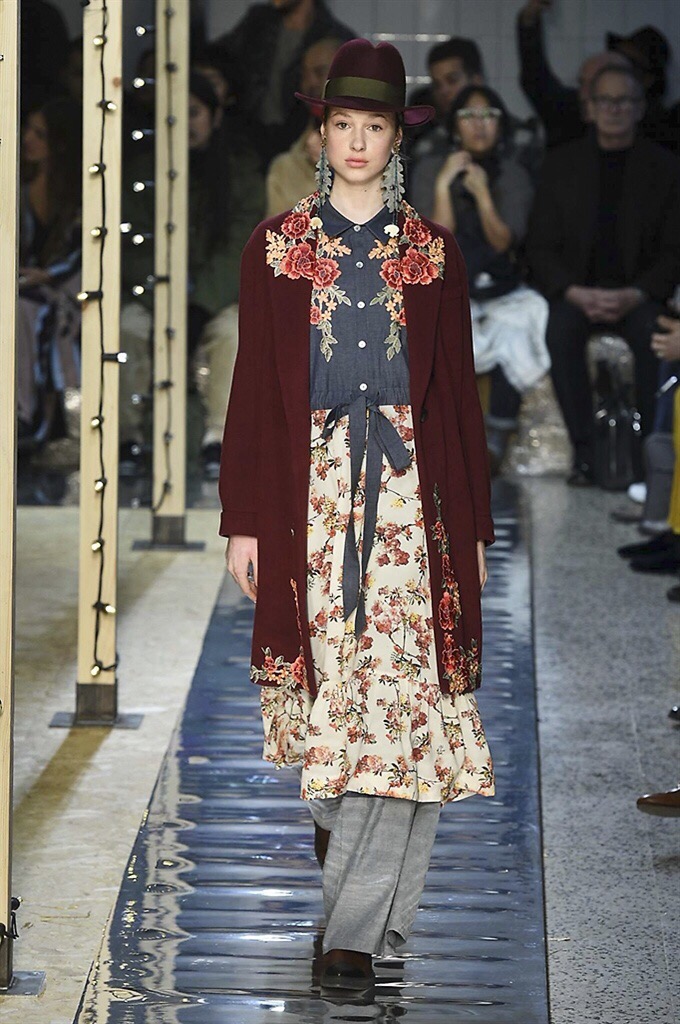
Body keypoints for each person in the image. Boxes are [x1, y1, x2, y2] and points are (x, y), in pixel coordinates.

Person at [219, 38, 495, 990]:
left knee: (404, 700)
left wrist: (474, 531)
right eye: (343, 123)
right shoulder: (275, 248)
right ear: (321, 131)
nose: (357, 141)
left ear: (396, 138)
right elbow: (254, 390)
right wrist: (244, 520)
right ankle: (346, 859)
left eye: (374, 126)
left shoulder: (433, 252)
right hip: (311, 494)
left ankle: (350, 932)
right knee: (333, 690)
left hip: (415, 497)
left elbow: (457, 398)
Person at [527, 63, 680, 485]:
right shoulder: (561, 164)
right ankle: (585, 456)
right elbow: (538, 246)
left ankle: (648, 465)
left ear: (640, 107)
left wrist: (637, 293)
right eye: (605, 100)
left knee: (655, 337)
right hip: (577, 293)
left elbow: (674, 251)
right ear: (590, 107)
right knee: (559, 332)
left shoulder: (665, 168)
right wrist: (572, 291)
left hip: (639, 295)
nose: (615, 109)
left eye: (624, 101)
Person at [119, 73, 264, 477]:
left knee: (233, 332)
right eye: (175, 114)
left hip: (214, 299)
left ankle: (219, 440)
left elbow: (240, 248)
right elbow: (132, 246)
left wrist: (198, 306)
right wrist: (161, 297)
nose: (185, 123)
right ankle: (128, 439)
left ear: (214, 117)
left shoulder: (240, 173)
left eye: (194, 112)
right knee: (127, 327)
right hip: (152, 295)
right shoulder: (141, 173)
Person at [423, 84, 549, 474]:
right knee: (432, 328)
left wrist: (481, 194)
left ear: (501, 124)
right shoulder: (430, 166)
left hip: (500, 288)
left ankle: (495, 437)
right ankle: (439, 438)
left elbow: (503, 241)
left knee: (518, 325)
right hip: (446, 287)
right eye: (469, 116)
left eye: (489, 116)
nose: (479, 125)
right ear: (454, 126)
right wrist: (444, 184)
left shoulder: (513, 171)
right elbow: (434, 241)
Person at [517, 0, 678, 155]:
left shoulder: (658, 129)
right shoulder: (577, 108)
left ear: (648, 80)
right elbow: (537, 83)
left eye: (627, 65)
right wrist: (529, 20)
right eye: (615, 58)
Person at [215, 0, 355, 166]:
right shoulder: (258, 22)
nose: (311, 80)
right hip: (248, 139)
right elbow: (220, 57)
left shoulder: (335, 36)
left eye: (319, 72)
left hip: (300, 140)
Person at [17, 97, 82, 447]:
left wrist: (48, 275)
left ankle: (32, 417)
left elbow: (84, 253)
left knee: (27, 309)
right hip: (28, 285)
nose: (27, 138)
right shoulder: (18, 187)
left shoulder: (78, 194)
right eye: (28, 129)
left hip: (69, 288)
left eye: (39, 134)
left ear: (59, 143)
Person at [265, 37, 342, 216]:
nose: (310, 83)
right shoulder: (285, 167)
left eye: (320, 72)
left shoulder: (378, 158)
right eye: (304, 75)